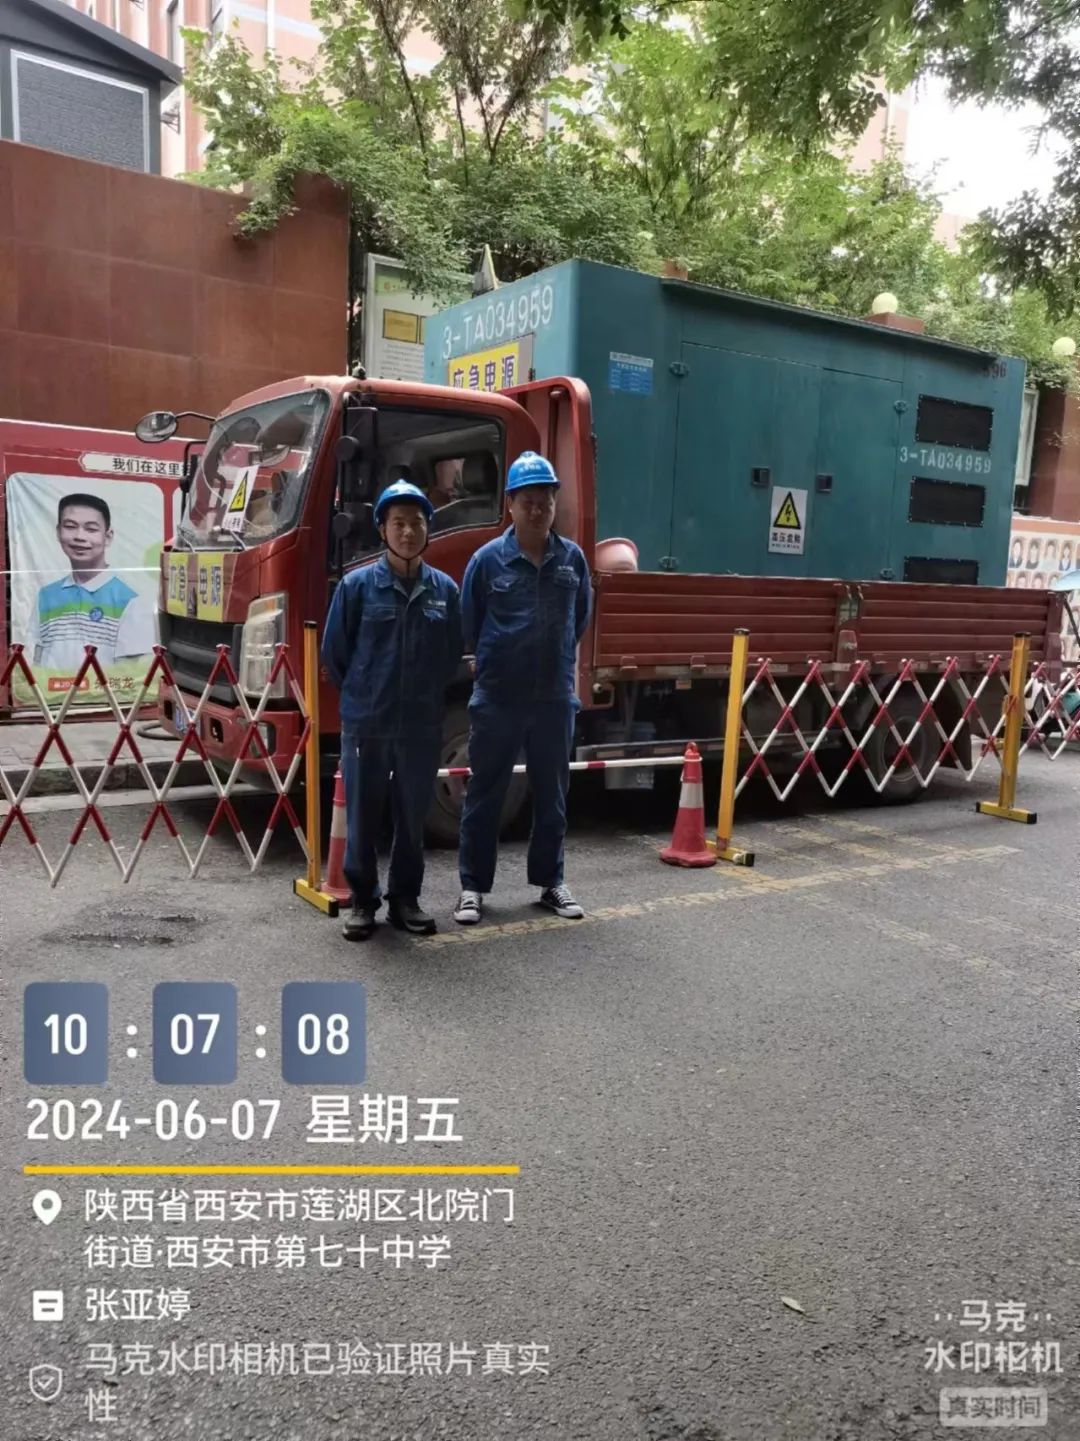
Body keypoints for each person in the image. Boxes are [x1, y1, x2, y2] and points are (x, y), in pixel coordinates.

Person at [453, 451, 592, 926]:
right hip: (498, 698)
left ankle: (551, 882)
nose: (537, 510)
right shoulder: (487, 561)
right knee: (485, 794)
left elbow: (579, 619)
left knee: (552, 795)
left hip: (553, 698)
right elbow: (469, 623)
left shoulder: (572, 560)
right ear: (510, 504)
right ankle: (472, 888)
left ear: (554, 505)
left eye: (545, 501)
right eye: (528, 501)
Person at [322, 480, 463, 941]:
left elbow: (451, 654)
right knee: (363, 816)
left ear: (428, 529)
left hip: (420, 724)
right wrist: (367, 695)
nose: (408, 531)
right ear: (382, 529)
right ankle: (363, 901)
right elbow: (335, 655)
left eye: (417, 523)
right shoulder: (357, 587)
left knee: (412, 816)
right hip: (367, 722)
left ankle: (405, 899)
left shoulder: (444, 590)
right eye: (398, 523)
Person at [28, 493, 154, 673]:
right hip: (51, 691)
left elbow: (132, 674)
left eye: (91, 529)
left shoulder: (130, 600)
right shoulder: (46, 596)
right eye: (70, 527)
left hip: (104, 692)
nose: (79, 536)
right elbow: (36, 660)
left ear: (107, 537)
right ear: (58, 532)